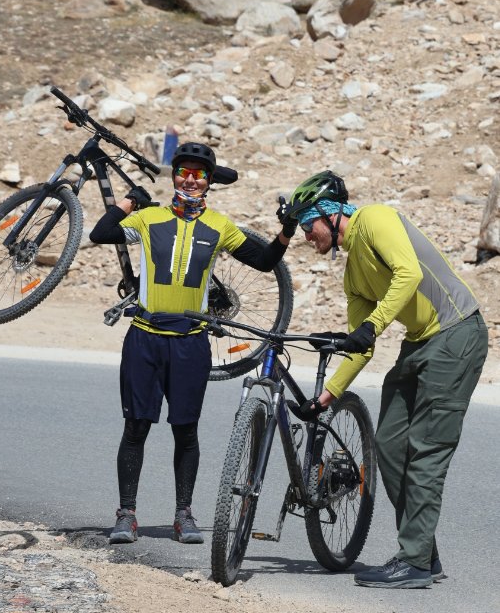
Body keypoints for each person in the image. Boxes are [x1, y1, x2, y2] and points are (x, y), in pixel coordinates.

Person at [281, 170, 488, 590]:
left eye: (308, 225)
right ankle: (424, 554)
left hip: (457, 334)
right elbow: (361, 347)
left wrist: (373, 324)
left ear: (329, 214)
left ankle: (412, 560)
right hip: (419, 344)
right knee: (390, 446)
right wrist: (324, 397)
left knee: (426, 452)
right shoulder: (352, 274)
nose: (306, 236)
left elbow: (408, 273)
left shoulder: (375, 218)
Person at [90, 141, 294, 547]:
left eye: (199, 174)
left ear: (209, 182)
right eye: (183, 170)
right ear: (174, 175)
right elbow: (101, 232)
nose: (190, 178)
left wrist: (287, 230)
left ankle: (184, 514)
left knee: (186, 430)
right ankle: (126, 514)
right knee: (136, 427)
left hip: (190, 342)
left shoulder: (219, 226)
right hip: (144, 338)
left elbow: (266, 260)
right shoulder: (150, 218)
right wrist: (130, 201)